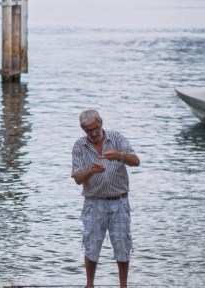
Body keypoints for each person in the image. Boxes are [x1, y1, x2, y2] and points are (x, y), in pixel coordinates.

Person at [71, 109, 140, 287]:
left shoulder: (116, 138)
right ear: (82, 129)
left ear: (101, 123)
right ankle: (89, 284)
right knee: (91, 245)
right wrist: (91, 171)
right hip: (94, 203)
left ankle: (123, 285)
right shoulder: (80, 146)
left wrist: (120, 156)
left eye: (95, 128)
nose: (93, 133)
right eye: (88, 130)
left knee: (122, 244)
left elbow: (136, 161)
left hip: (119, 200)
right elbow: (78, 179)